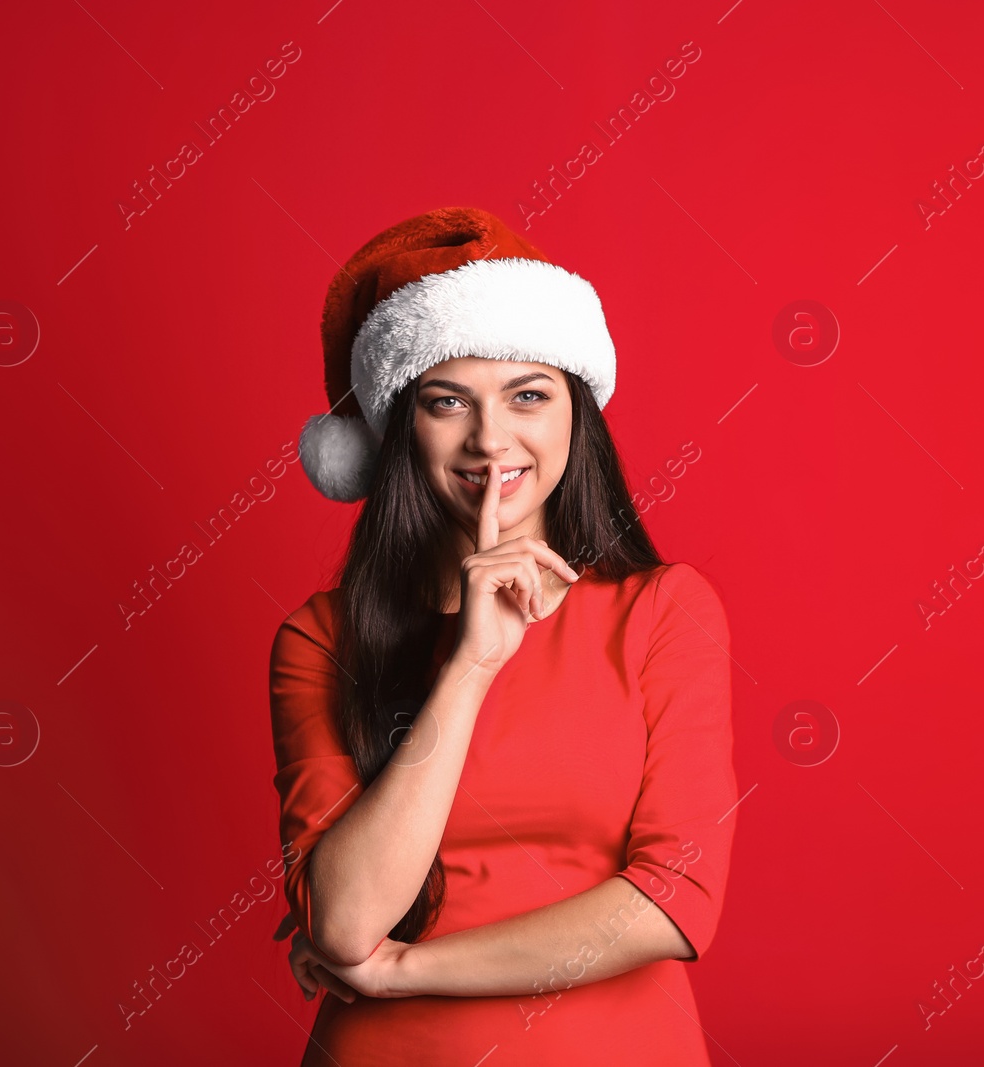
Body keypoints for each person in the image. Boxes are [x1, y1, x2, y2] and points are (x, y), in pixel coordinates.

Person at [267, 206, 737, 1065]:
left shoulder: (663, 611)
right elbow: (343, 920)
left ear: (576, 415)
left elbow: (673, 900)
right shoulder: (320, 639)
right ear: (400, 426)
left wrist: (404, 968)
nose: (491, 438)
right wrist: (472, 663)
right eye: (448, 401)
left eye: (529, 395)